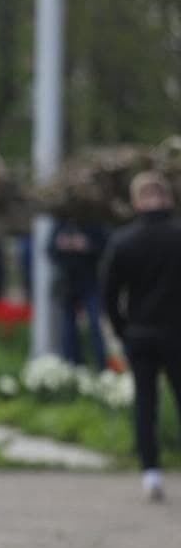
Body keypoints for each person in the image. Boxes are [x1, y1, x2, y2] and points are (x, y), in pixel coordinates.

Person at [102, 170, 181, 503]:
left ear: (135, 202)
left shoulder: (123, 240)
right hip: (177, 333)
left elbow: (108, 293)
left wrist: (124, 330)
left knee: (145, 404)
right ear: (169, 198)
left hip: (140, 333)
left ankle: (150, 473)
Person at [48, 215, 108, 370]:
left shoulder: (94, 222)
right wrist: (62, 245)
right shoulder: (61, 223)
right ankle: (73, 366)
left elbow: (105, 247)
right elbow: (49, 250)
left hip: (89, 281)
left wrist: (86, 245)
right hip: (68, 284)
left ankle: (102, 367)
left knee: (95, 325)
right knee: (68, 330)